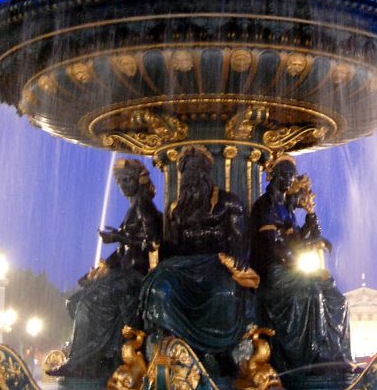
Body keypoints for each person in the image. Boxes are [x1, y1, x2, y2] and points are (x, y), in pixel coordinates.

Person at [138, 146, 254, 364]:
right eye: (187, 171)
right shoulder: (176, 209)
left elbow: (241, 238)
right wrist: (151, 249)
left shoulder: (228, 202)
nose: (192, 175)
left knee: (224, 293)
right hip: (184, 266)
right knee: (159, 288)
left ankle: (219, 352)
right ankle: (169, 346)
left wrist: (238, 254)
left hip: (217, 263)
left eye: (197, 168)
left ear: (207, 171)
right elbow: (171, 246)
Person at [51, 159, 162, 380]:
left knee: (89, 304)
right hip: (123, 273)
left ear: (139, 180)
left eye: (126, 180)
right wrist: (100, 270)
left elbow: (154, 241)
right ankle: (94, 359)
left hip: (137, 277)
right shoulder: (133, 208)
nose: (122, 186)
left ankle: (84, 364)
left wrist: (119, 237)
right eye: (119, 182)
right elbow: (123, 251)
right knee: (75, 302)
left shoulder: (143, 206)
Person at [250, 155, 352, 378]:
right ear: (272, 175)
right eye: (284, 174)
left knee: (335, 294)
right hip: (271, 271)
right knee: (313, 291)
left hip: (288, 267)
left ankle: (338, 355)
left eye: (291, 175)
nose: (289, 179)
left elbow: (298, 241)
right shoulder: (265, 205)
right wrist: (297, 260)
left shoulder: (285, 208)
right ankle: (310, 358)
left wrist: (311, 215)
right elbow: (271, 248)